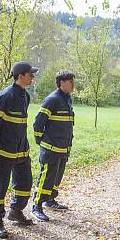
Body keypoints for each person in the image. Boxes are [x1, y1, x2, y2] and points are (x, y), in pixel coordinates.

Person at [0, 61, 38, 238]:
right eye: (30, 74)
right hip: (5, 152)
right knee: (0, 187)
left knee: (25, 184)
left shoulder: (26, 96)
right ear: (20, 76)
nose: (32, 77)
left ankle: (16, 211)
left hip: (22, 150)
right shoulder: (5, 96)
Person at [31, 70, 75, 222]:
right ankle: (36, 206)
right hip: (51, 149)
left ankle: (50, 200)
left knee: (56, 178)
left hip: (63, 148)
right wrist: (41, 141)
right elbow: (38, 123)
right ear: (62, 83)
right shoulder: (52, 99)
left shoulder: (67, 99)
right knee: (46, 178)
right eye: (70, 81)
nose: (73, 84)